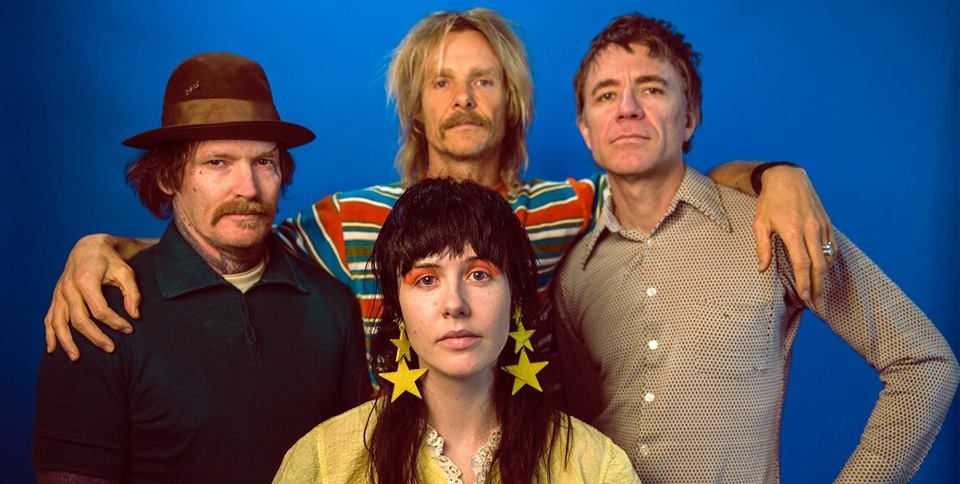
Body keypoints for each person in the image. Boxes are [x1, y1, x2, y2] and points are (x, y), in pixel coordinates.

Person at [42, 9, 834, 367]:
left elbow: (663, 181)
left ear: (513, 101)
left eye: (484, 81)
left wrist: (774, 177)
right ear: (416, 107)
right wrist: (103, 247)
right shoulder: (349, 221)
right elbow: (229, 241)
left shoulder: (570, 207)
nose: (463, 99)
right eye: (443, 82)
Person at [553, 13, 960, 482]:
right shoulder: (576, 277)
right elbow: (584, 437)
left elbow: (923, 362)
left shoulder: (776, 224)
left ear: (689, 117)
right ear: (586, 129)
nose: (627, 108)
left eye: (652, 89)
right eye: (606, 95)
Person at [32, 53, 368, 483]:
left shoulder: (332, 305)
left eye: (263, 162)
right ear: (168, 177)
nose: (247, 188)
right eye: (217, 162)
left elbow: (354, 467)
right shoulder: (97, 313)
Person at [273, 177, 640, 483]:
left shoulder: (594, 466)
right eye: (427, 279)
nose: (455, 303)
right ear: (397, 308)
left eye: (479, 275)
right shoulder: (323, 463)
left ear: (515, 298)